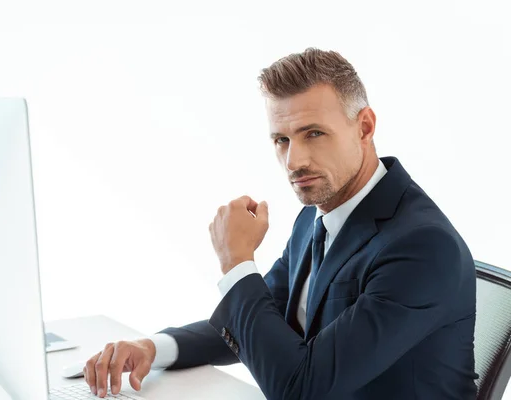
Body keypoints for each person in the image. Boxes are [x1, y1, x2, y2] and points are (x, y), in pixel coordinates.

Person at [84, 47, 478, 399]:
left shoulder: (422, 246)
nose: (294, 162)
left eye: (314, 134)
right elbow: (260, 322)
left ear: (364, 127)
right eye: (281, 140)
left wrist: (237, 264)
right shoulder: (315, 217)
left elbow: (301, 388)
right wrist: (154, 349)